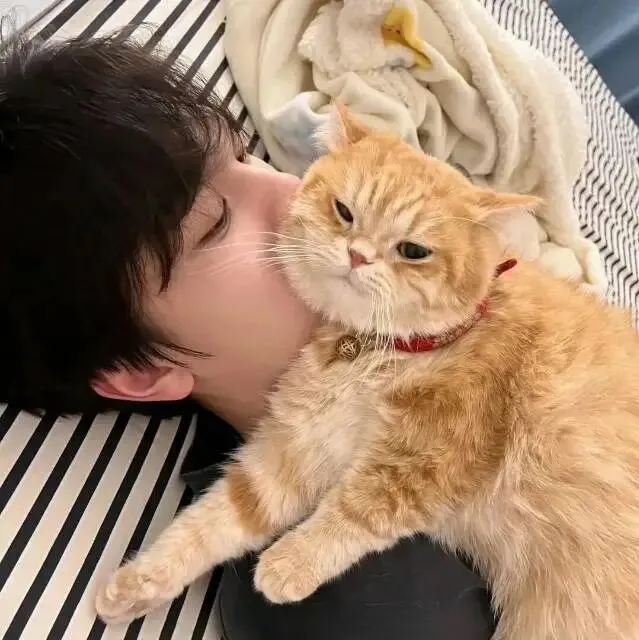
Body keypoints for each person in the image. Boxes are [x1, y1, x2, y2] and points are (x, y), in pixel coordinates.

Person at [0, 31, 495, 639]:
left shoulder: (454, 324)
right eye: (215, 224)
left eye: (247, 156)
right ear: (144, 372)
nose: (296, 192)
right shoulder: (350, 600)